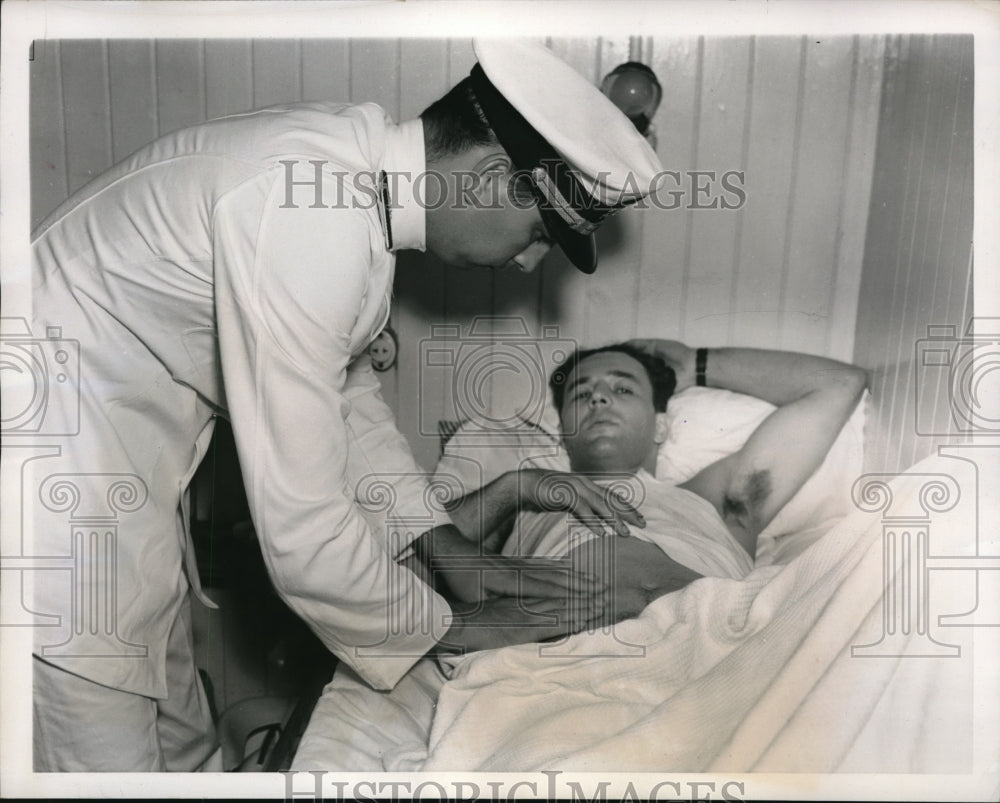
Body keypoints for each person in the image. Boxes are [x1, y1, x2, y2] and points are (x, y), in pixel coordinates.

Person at [24, 39, 662, 771]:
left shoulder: (347, 182)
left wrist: (444, 547)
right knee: (109, 771)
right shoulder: (310, 214)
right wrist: (459, 625)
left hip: (109, 489)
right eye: (539, 232)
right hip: (52, 510)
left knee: (186, 749)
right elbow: (303, 524)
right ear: (491, 176)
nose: (524, 261)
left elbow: (346, 397)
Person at [440, 341, 867, 623]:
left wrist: (696, 364)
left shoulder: (718, 498)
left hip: (707, 647)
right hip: (552, 651)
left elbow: (838, 386)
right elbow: (416, 558)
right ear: (562, 431)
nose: (599, 398)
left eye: (623, 390)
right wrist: (515, 487)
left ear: (662, 426)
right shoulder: (522, 507)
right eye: (579, 393)